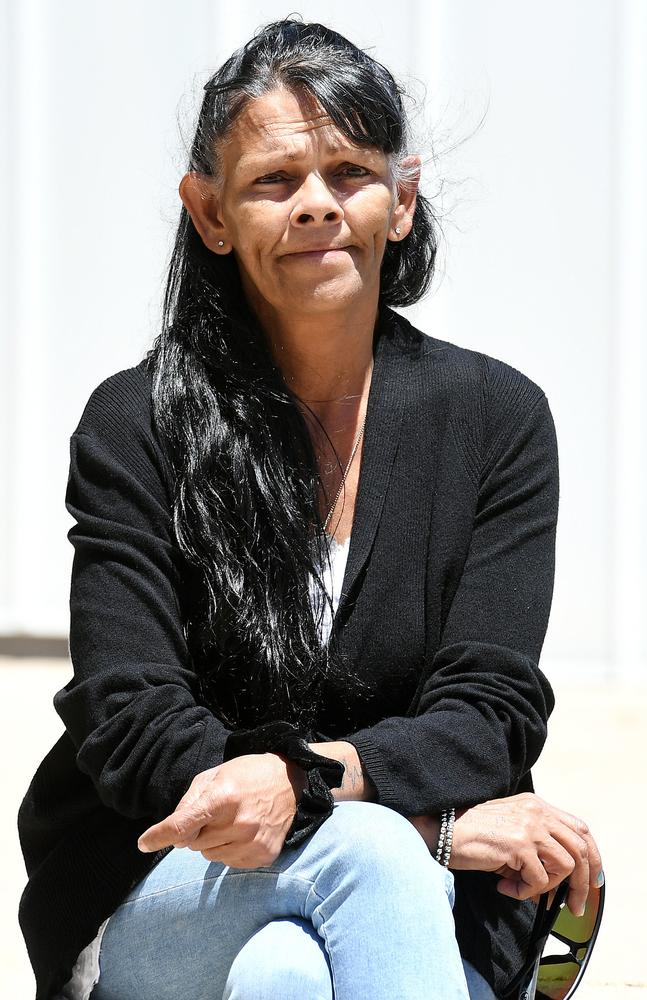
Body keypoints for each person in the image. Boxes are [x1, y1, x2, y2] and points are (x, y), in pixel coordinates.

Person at [17, 16, 604, 1000]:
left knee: (287, 973)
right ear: (208, 213)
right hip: (161, 894)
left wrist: (306, 777)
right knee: (370, 857)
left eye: (347, 173)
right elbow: (132, 722)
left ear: (401, 198)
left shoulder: (496, 422)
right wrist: (417, 824)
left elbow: (490, 713)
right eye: (273, 182)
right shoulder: (137, 425)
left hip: (413, 915)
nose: (315, 206)